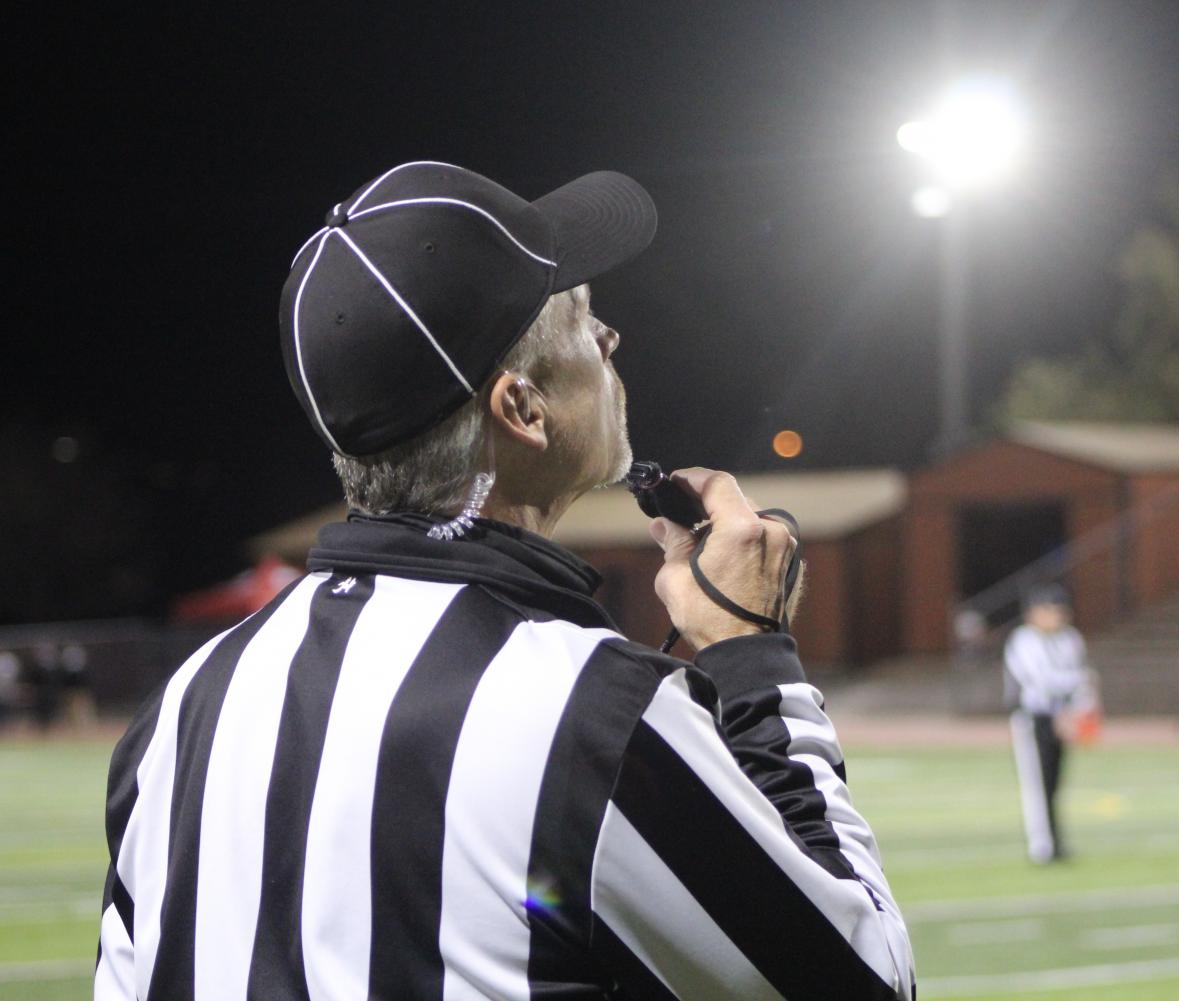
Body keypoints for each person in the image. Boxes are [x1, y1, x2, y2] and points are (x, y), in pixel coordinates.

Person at [95, 162, 914, 1001]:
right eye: (582, 318)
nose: (609, 340)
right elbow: (865, 978)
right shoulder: (589, 710)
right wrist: (751, 650)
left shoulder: (183, 707)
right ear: (522, 408)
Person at [1003, 584, 1090, 864]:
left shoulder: (1070, 640)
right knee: (1036, 783)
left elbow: (1079, 678)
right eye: (1049, 610)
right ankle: (1041, 845)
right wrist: (1072, 687)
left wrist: (1073, 713)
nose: (1056, 616)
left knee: (1054, 782)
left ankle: (1056, 840)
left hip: (1060, 717)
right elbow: (1041, 680)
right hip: (1034, 718)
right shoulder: (1023, 640)